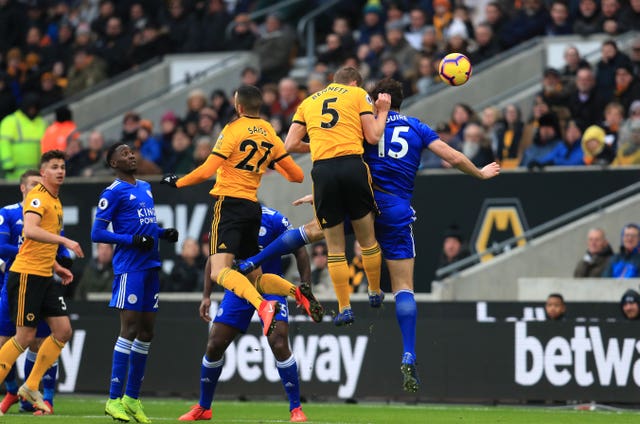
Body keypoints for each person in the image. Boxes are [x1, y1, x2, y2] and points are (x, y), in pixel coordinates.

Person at [243, 78, 500, 392]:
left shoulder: (363, 128)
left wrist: (319, 196)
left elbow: (343, 163)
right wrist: (481, 173)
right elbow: (454, 157)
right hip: (394, 210)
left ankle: (253, 260)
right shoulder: (417, 127)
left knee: (310, 232)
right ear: (400, 101)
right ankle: (408, 352)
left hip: (359, 202)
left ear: (377, 99)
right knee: (404, 286)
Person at [161, 85, 323, 338]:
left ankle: (263, 306)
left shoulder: (232, 130)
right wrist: (268, 160)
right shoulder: (269, 132)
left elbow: (206, 170)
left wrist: (177, 182)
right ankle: (297, 292)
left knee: (218, 271)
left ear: (238, 107)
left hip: (229, 206)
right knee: (254, 278)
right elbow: (296, 175)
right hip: (252, 208)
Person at [179, 205, 310, 422]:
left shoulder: (275, 219)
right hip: (238, 290)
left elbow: (300, 250)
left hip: (270, 288)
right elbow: (214, 260)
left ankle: (296, 409)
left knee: (278, 342)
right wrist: (206, 296)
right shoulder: (225, 219)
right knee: (214, 345)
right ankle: (204, 407)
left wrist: (305, 287)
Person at [284, 66, 391, 326]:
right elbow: (374, 135)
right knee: (366, 238)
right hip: (352, 166)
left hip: (323, 171)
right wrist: (384, 110)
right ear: (354, 82)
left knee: (334, 248)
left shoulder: (308, 102)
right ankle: (374, 291)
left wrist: (319, 143)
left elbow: (289, 145)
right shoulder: (357, 94)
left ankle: (344, 307)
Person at [90, 142, 179, 423]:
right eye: (124, 154)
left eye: (132, 152)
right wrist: (130, 240)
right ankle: (113, 399)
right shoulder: (113, 193)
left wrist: (163, 233)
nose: (131, 155)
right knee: (128, 329)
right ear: (114, 163)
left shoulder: (144, 187)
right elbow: (97, 233)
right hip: (130, 269)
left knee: (147, 332)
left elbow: (144, 225)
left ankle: (131, 398)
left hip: (150, 265)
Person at [0, 150, 84, 414]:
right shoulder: (37, 197)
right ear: (43, 172)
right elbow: (30, 231)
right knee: (24, 337)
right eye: (54, 167)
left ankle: (31, 384)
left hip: (45, 275)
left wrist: (58, 266)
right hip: (26, 275)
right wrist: (65, 241)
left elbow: (37, 246)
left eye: (63, 166)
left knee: (63, 331)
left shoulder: (55, 201)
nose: (60, 170)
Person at [0, 92, 47, 181]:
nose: (32, 110)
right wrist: (8, 164)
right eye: (30, 107)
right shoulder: (11, 121)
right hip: (15, 174)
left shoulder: (42, 123)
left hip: (36, 174)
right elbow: (4, 144)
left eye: (35, 108)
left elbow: (46, 145)